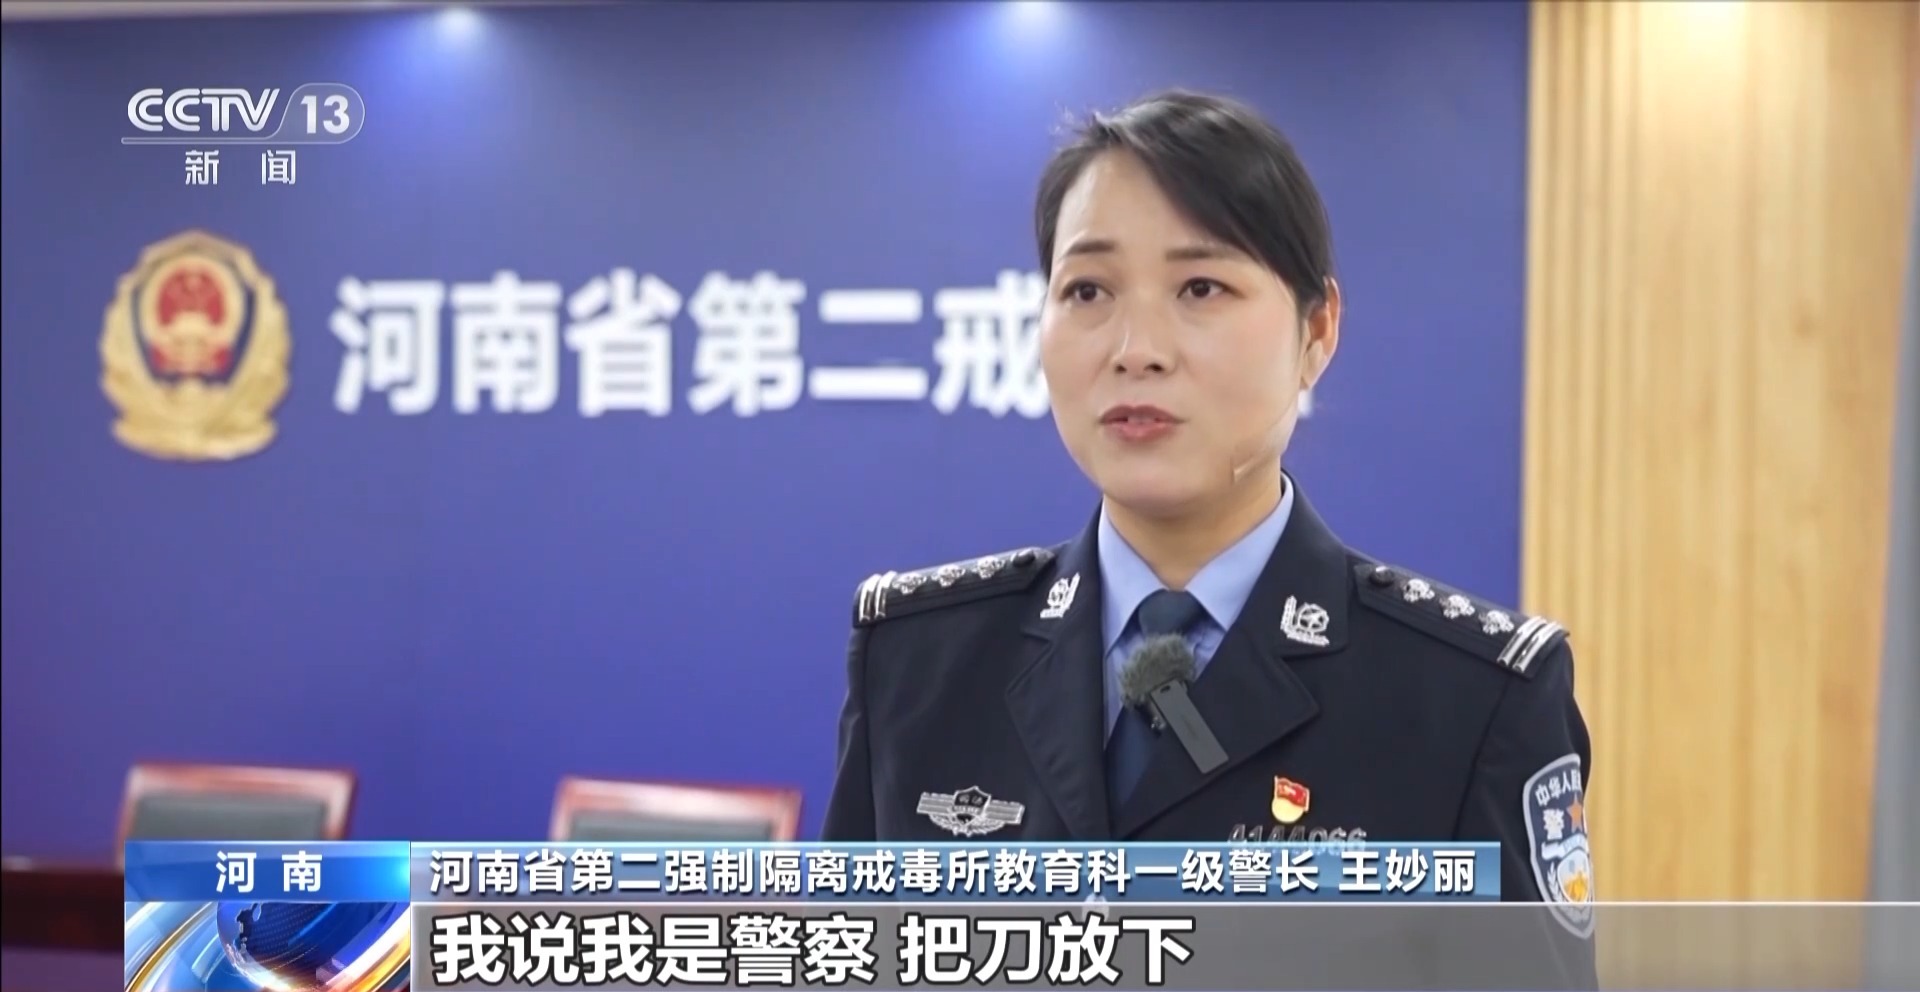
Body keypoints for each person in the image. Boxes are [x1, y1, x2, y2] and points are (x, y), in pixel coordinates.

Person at [822, 90, 1596, 989]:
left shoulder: (1472, 700)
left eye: (1201, 288)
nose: (1137, 348)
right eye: (1087, 291)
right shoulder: (918, 662)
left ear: (1317, 331)